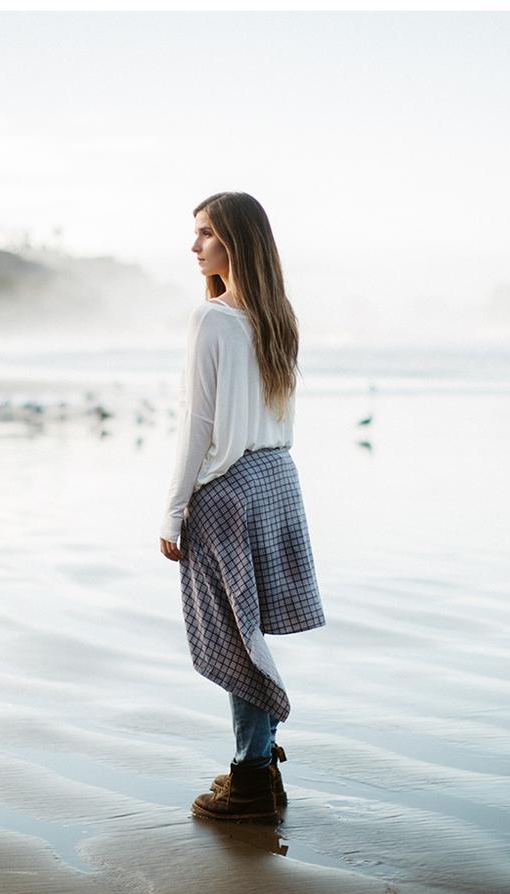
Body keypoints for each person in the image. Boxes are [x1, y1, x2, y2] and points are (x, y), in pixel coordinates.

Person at [158, 191, 326, 824]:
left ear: (237, 242)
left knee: (235, 640)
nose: (194, 246)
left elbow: (196, 425)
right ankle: (259, 764)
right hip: (278, 480)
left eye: (206, 233)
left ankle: (252, 777)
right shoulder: (279, 316)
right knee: (246, 633)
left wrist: (172, 509)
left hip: (228, 490)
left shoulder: (214, 319)